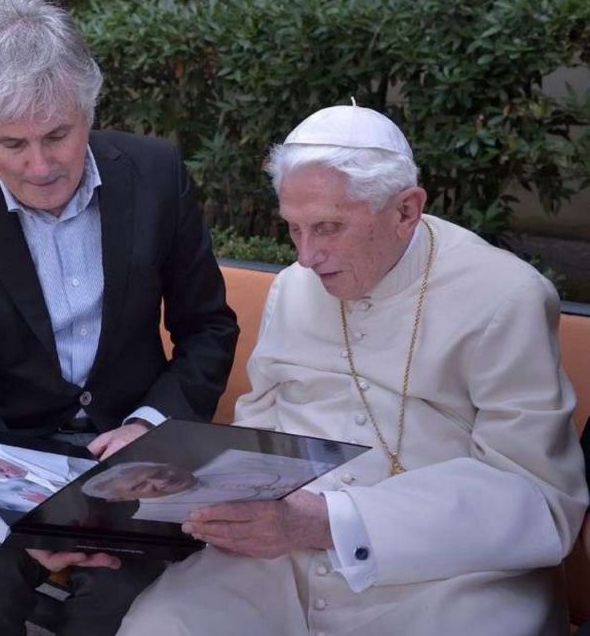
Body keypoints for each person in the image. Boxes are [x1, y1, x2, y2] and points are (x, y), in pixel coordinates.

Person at [119, 103, 589, 636]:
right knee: (161, 625)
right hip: (279, 564)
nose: (306, 257)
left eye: (327, 228)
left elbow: (538, 496)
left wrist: (331, 522)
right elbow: (260, 429)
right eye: (294, 229)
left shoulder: (505, 296)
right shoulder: (294, 288)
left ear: (406, 210)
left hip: (447, 570)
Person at [0, 0, 238, 636]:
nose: (41, 165)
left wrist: (150, 426)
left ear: (89, 107)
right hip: (5, 452)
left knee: (120, 601)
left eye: (58, 135)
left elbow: (207, 328)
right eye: (11, 144)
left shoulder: (154, 174)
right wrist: (16, 505)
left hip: (132, 455)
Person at [81, 452, 298, 523]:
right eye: (142, 485)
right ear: (122, 498)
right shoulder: (156, 520)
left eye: (160, 472)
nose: (163, 481)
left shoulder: (235, 458)